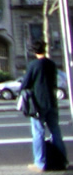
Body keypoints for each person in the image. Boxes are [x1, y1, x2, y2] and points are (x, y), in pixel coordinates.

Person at [20, 40, 68, 172]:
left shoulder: (33, 65)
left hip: (38, 103)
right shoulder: (52, 64)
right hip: (52, 101)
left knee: (38, 132)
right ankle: (62, 160)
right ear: (45, 49)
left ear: (34, 51)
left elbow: (25, 84)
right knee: (56, 131)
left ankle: (40, 163)